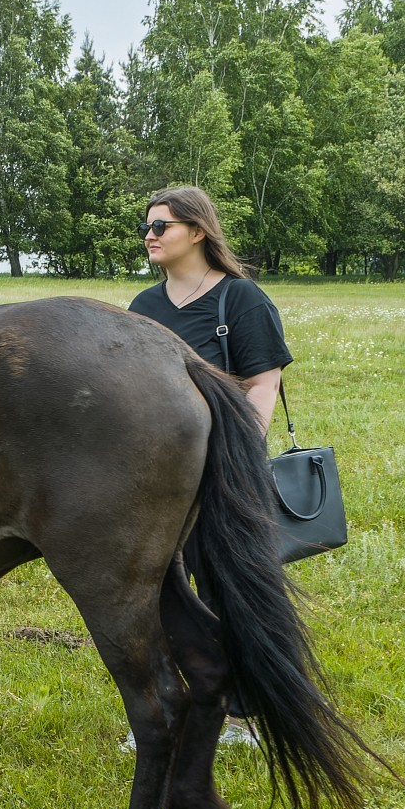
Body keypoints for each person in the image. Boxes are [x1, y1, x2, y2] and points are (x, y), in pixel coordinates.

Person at [127, 184, 293, 748]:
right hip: (161, 478)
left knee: (229, 589)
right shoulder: (143, 308)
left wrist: (236, 454)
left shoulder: (240, 298)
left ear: (198, 231)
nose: (150, 236)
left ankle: (244, 716)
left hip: (224, 472)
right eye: (146, 227)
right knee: (162, 593)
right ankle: (173, 708)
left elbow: (263, 383)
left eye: (161, 226)